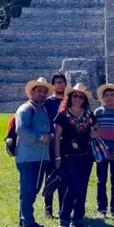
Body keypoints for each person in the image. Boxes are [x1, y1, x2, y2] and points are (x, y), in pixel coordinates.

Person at [54, 83, 98, 227]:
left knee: (82, 189)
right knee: (71, 188)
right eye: (75, 96)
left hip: (86, 157)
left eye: (81, 96)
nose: (78, 98)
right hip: (68, 156)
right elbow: (57, 137)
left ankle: (78, 218)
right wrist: (58, 157)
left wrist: (94, 132)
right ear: (70, 97)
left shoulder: (88, 114)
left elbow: (95, 129)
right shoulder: (63, 114)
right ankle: (64, 218)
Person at [15, 77, 54, 227]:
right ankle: (28, 223)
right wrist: (39, 137)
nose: (42, 94)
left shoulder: (42, 109)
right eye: (39, 91)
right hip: (28, 157)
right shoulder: (25, 109)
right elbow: (21, 130)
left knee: (34, 188)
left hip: (41, 156)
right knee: (28, 189)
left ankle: (23, 218)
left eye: (44, 92)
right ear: (32, 92)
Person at [94, 83, 114, 220]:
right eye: (106, 95)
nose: (109, 98)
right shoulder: (98, 113)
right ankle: (102, 209)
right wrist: (104, 149)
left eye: (111, 95)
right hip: (102, 152)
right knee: (101, 181)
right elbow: (95, 132)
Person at [42, 72, 67, 219]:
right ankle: (48, 208)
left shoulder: (70, 101)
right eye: (57, 82)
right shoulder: (47, 102)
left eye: (62, 82)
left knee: (64, 176)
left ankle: (63, 208)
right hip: (51, 144)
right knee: (50, 176)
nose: (60, 84)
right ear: (53, 85)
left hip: (66, 145)